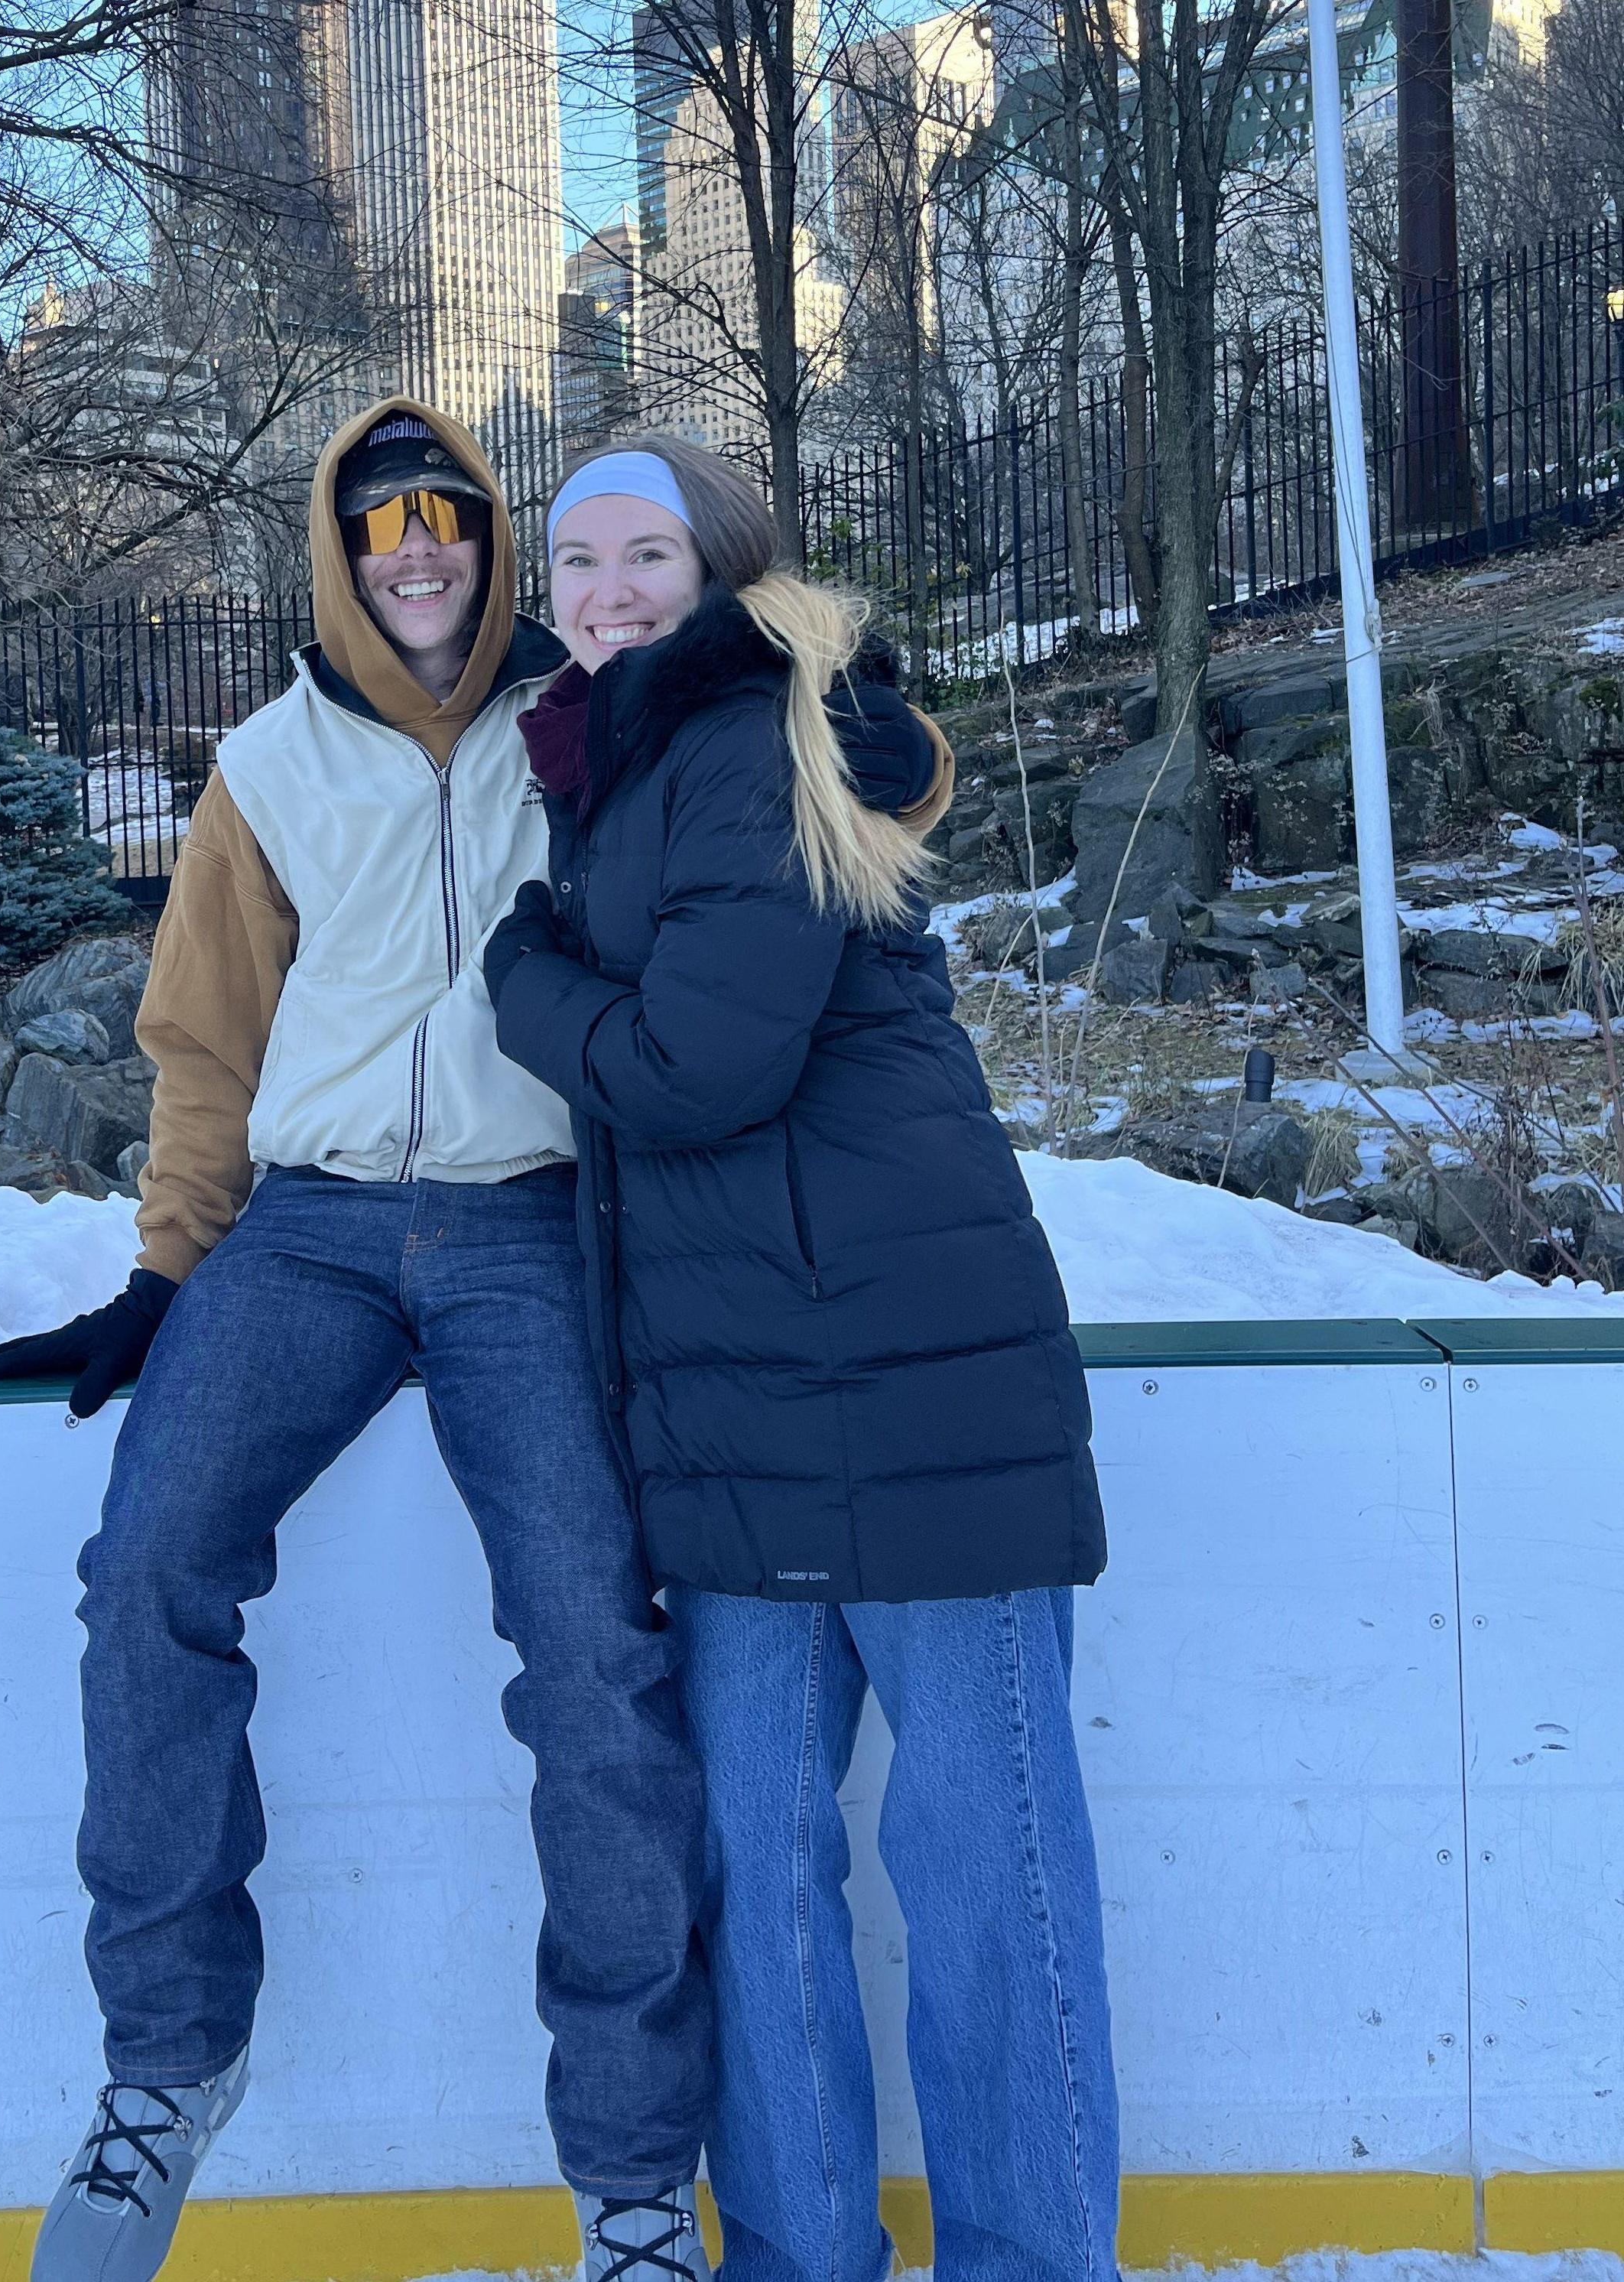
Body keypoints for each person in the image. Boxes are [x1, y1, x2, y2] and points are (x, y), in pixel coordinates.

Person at [0, 402, 715, 2282]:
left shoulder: (586, 712)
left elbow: (790, 769)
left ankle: (632, 2177)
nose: (417, 546)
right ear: (336, 549)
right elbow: (204, 1042)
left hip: (522, 1223)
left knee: (593, 1650)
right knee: (145, 1564)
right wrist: (168, 1272)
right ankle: (167, 2062)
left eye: (444, 510)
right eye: (378, 522)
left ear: (486, 532)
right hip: (304, 1231)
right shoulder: (266, 764)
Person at [483, 435, 1120, 2282]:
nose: (604, 590)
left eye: (644, 555)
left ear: (721, 569)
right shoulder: (621, 756)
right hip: (736, 1404)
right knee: (754, 1881)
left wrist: (524, 975)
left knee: (987, 1873)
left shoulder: (752, 735)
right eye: (576, 558)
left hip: (918, 1388)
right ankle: (794, 2251)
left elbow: (696, 1068)